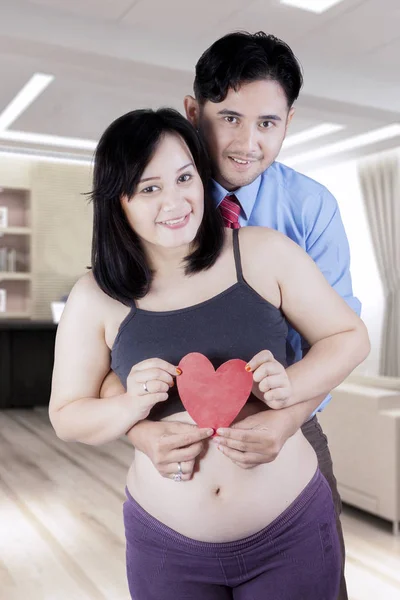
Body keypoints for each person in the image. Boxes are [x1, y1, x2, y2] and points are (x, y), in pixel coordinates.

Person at [49, 107, 370, 600]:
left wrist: (291, 389)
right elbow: (67, 415)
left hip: (290, 534)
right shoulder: (96, 295)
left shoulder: (262, 251)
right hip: (167, 548)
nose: (175, 201)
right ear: (119, 200)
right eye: (150, 187)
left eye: (185, 178)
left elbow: (349, 336)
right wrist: (132, 408)